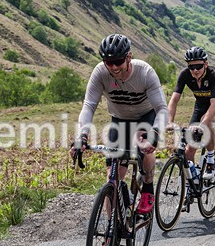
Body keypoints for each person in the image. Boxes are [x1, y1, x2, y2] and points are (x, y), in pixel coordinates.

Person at [71, 33, 168, 215]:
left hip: (145, 117)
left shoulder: (145, 73)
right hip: (119, 120)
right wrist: (82, 135)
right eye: (109, 63)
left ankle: (147, 187)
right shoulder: (100, 72)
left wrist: (155, 133)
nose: (114, 67)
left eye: (118, 61)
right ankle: (111, 233)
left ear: (128, 57)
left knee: (145, 148)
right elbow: (89, 105)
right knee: (112, 178)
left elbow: (162, 108)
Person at [166, 47, 215, 180]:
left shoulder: (214, 74)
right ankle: (192, 182)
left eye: (198, 66)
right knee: (189, 150)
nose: (195, 70)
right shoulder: (185, 75)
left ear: (205, 64)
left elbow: (214, 105)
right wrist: (170, 121)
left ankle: (211, 159)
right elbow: (174, 99)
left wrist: (202, 124)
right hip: (200, 105)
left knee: (208, 124)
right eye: (191, 67)